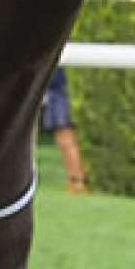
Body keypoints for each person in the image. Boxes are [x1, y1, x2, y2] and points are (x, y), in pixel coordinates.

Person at [43, 66, 89, 194]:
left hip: (62, 91)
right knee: (62, 137)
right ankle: (74, 180)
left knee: (66, 137)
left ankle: (79, 180)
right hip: (55, 92)